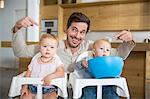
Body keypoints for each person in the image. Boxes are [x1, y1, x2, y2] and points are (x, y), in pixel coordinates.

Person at [11, 12, 135, 99]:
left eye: (82, 32)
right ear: (66, 29)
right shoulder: (51, 46)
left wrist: (129, 40)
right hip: (56, 93)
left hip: (83, 93)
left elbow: (119, 55)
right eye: (74, 29)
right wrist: (17, 28)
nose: (77, 36)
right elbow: (20, 51)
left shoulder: (92, 47)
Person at [20, 34, 64, 99]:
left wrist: (50, 76)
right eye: (45, 46)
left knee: (51, 97)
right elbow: (28, 73)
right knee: (25, 97)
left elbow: (61, 72)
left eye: (52, 47)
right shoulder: (35, 59)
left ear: (56, 50)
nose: (48, 49)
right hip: (33, 87)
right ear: (39, 48)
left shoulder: (56, 60)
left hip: (49, 88)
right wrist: (25, 86)